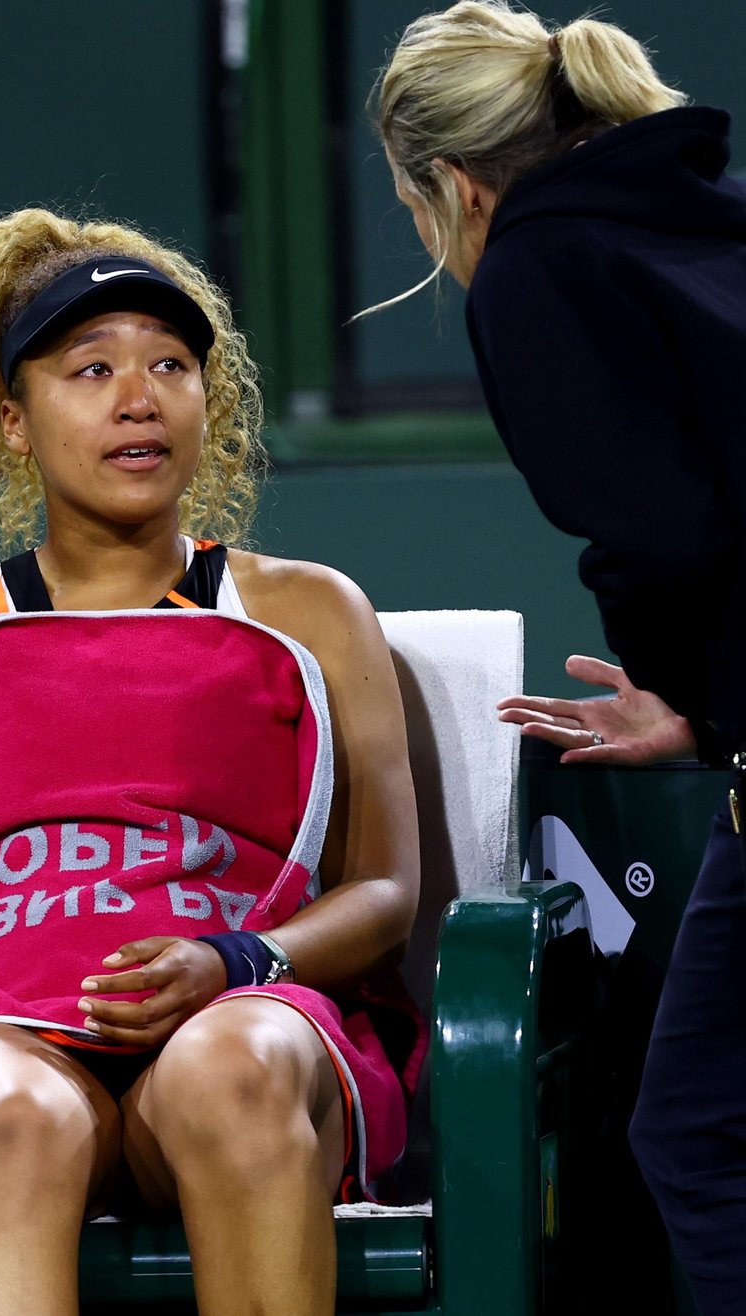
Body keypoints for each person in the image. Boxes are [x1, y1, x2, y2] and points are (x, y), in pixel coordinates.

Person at [0, 207, 425, 1315]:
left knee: (236, 1070)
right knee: (17, 1119)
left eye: (171, 364)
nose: (140, 396)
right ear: (13, 422)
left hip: (237, 1008)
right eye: (91, 368)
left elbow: (384, 889)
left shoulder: (308, 609)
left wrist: (239, 958)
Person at [371, 3, 746, 1312]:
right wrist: (708, 719)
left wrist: (699, 685)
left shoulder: (540, 260)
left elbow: (659, 528)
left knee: (700, 1140)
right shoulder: (710, 224)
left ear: (455, 189)